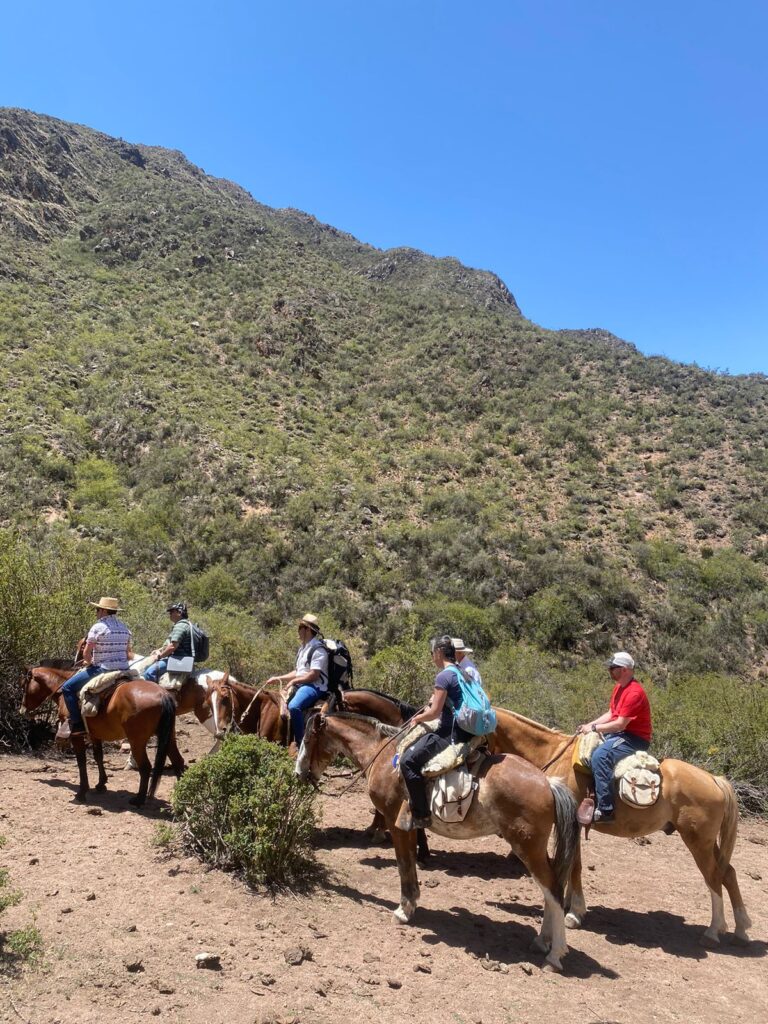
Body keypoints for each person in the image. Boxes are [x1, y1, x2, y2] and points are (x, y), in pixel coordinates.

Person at [399, 635, 473, 830]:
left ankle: (421, 816)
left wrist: (417, 719)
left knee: (408, 761)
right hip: (467, 731)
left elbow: (434, 713)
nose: (432, 657)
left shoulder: (444, 676)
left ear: (439, 652)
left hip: (450, 734)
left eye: (432, 653)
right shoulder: (462, 672)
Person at [578, 651, 652, 824]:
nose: (610, 671)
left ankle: (606, 809)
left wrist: (595, 728)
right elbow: (611, 713)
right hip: (621, 733)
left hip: (634, 738)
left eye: (613, 668)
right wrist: (589, 725)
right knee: (587, 746)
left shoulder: (634, 693)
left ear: (625, 670)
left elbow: (620, 724)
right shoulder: (619, 687)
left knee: (600, 756)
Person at [62, 597, 133, 735]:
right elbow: (127, 653)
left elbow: (87, 654)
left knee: (67, 688)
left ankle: (78, 724)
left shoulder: (98, 627)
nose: (96, 612)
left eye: (97, 609)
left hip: (102, 669)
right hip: (124, 669)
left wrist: (88, 662)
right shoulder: (125, 628)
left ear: (104, 611)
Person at [265, 613, 329, 746]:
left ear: (307, 629)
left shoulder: (318, 649)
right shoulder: (303, 648)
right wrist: (278, 678)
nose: (298, 631)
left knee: (294, 707)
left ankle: (301, 744)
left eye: (300, 628)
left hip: (315, 686)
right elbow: (298, 671)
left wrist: (294, 681)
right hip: (303, 684)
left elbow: (313, 675)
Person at [144, 602, 194, 682]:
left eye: (172, 612)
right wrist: (160, 649)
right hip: (183, 659)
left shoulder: (180, 626)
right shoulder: (188, 624)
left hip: (177, 659)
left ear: (179, 612)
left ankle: (157, 694)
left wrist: (160, 656)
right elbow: (175, 643)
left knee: (149, 673)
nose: (169, 614)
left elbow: (173, 646)